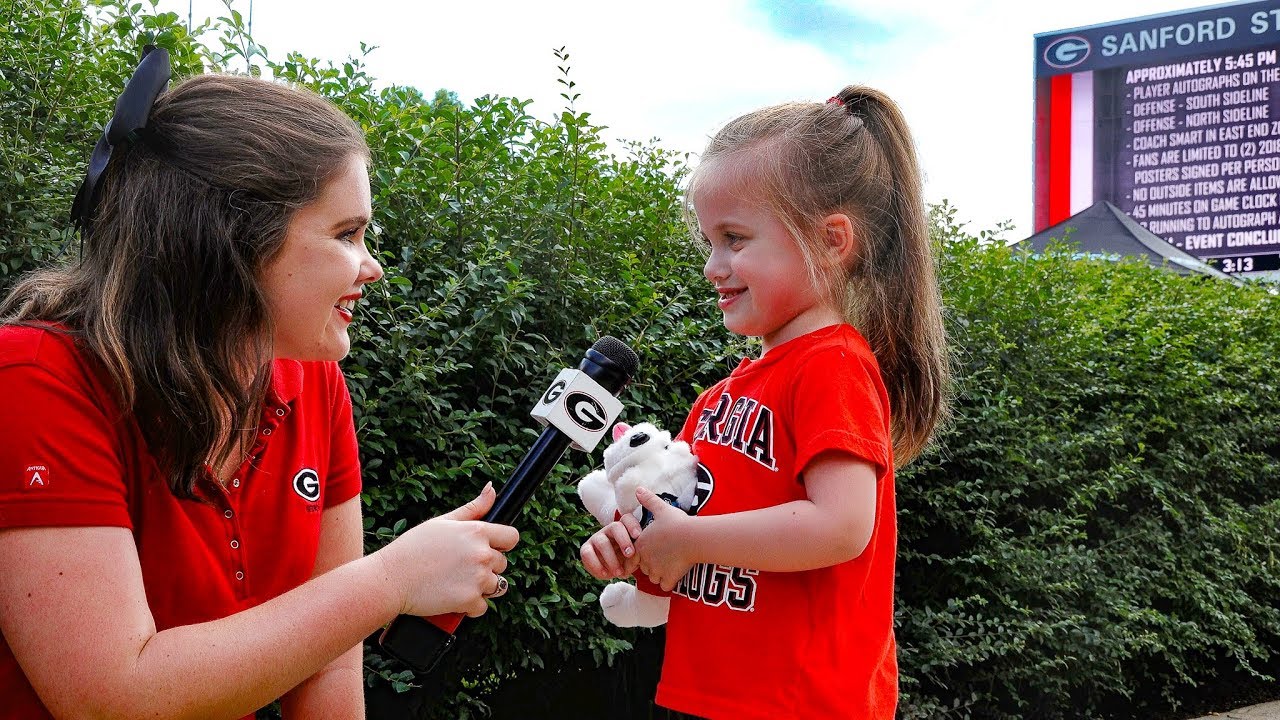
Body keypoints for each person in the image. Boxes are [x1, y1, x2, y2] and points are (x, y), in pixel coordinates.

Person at [0, 49, 519, 720]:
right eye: (347, 233)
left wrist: (381, 587)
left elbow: (327, 661)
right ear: (234, 240)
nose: (373, 268)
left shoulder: (314, 382)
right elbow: (113, 696)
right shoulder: (35, 379)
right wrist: (391, 581)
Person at [579, 85, 949, 719]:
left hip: (803, 704)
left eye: (735, 238)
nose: (713, 265)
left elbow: (839, 527)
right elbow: (700, 553)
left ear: (834, 240)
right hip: (709, 696)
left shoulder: (832, 367)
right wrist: (638, 547)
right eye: (709, 242)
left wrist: (691, 538)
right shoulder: (716, 402)